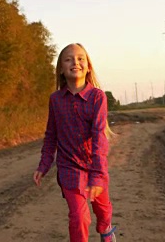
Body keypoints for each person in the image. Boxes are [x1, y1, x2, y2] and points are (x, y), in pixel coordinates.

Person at [33, 43, 117, 242]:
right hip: (69, 167)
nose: (75, 62)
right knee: (79, 217)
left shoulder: (97, 97)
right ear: (61, 68)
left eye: (81, 58)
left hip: (95, 165)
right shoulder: (55, 100)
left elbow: (99, 137)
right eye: (68, 59)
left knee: (103, 211)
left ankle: (106, 231)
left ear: (88, 66)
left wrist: (97, 175)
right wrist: (44, 164)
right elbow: (51, 134)